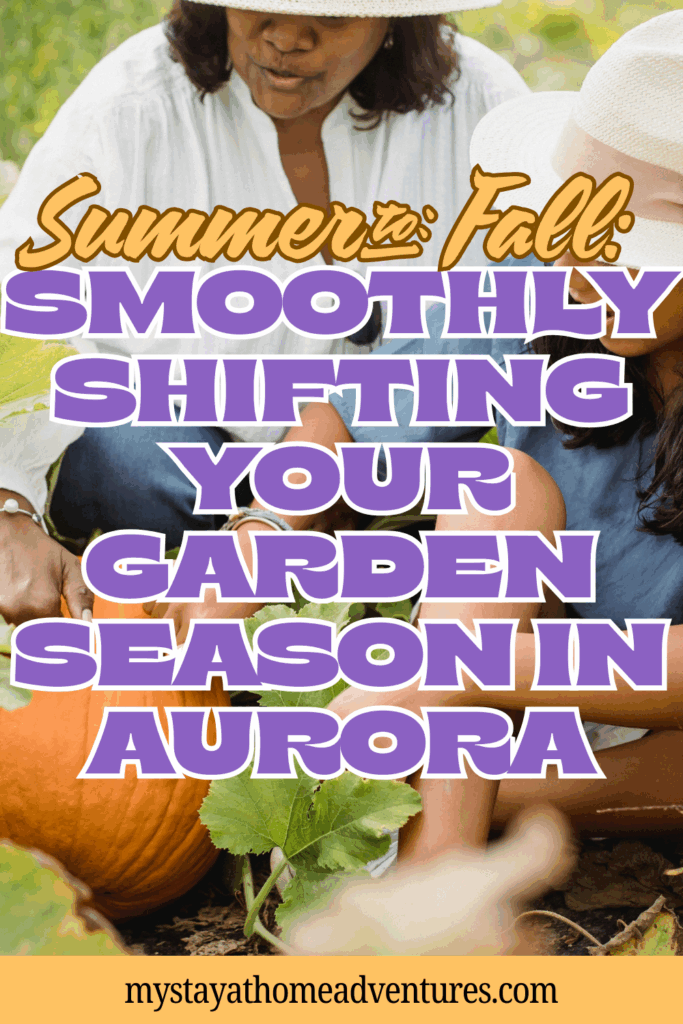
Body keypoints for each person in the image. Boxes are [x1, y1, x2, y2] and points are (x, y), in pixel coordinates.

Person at [163, 11, 683, 862]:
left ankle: (458, 808)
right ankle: (435, 873)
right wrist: (254, 541)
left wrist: (453, 668)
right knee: (501, 485)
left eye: (628, 248)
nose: (582, 264)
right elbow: (349, 411)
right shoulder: (541, 273)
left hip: (634, 724)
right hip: (507, 680)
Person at [0, 0, 527, 626]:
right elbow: (23, 298)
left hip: (388, 466)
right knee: (115, 452)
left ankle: (305, 565)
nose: (285, 37)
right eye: (258, 7)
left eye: (331, 19)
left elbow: (506, 324)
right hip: (187, 456)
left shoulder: (484, 109)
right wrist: (9, 507)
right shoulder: (132, 103)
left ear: (395, 20)